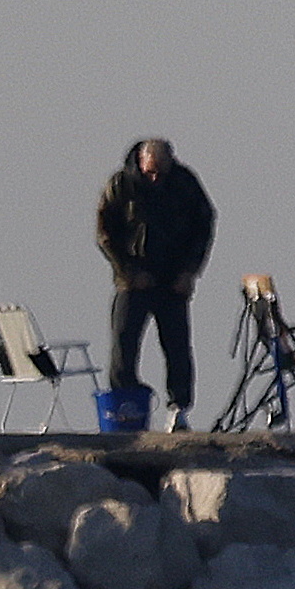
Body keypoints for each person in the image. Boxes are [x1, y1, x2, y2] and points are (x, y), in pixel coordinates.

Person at [96, 137, 216, 431]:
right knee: (124, 344)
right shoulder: (121, 184)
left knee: (177, 348)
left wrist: (190, 272)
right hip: (133, 281)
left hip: (172, 281)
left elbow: (204, 224)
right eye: (150, 171)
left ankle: (179, 408)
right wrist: (127, 271)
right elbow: (105, 233)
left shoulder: (185, 182)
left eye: (161, 171)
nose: (155, 177)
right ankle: (124, 409)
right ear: (140, 161)